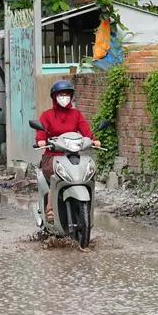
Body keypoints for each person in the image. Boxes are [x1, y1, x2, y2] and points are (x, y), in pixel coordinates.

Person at [34, 80, 96, 223]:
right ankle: (50, 209)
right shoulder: (47, 115)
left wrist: (94, 140)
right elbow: (40, 132)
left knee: (86, 174)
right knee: (55, 177)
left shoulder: (76, 114)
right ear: (54, 97)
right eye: (61, 95)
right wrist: (41, 141)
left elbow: (86, 131)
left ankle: (86, 209)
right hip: (53, 156)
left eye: (67, 94)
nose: (64, 97)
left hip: (72, 155)